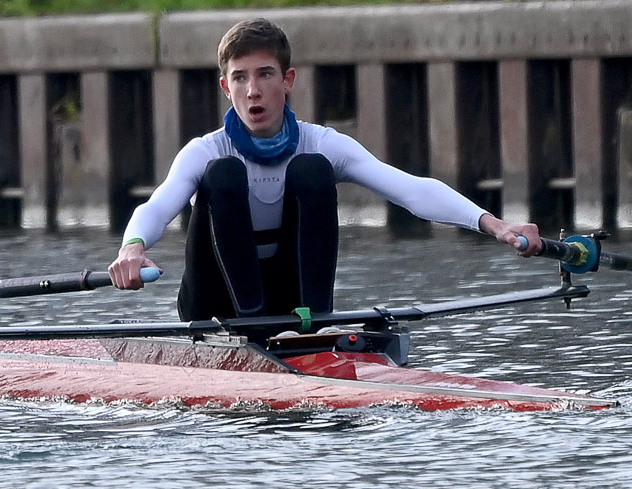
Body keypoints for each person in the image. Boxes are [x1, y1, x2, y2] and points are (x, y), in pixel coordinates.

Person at [106, 17, 542, 321]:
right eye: (239, 78)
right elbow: (159, 204)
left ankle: (314, 320)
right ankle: (247, 325)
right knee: (223, 175)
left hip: (292, 302)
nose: (253, 90)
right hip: (212, 305)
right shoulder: (205, 151)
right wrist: (132, 248)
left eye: (265, 74)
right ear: (226, 87)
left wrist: (495, 225)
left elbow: (409, 189)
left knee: (311, 170)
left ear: (288, 80)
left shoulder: (323, 144)